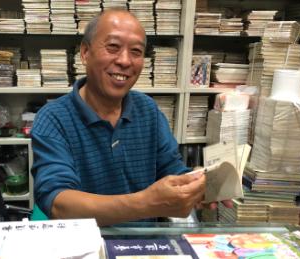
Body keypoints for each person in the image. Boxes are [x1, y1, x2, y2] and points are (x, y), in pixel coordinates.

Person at [31, 9, 232, 226]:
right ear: (85, 52)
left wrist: (196, 184)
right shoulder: (53, 119)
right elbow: (58, 203)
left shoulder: (148, 110)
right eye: (113, 47)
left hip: (145, 246)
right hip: (83, 248)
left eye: (136, 51)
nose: (125, 61)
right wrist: (146, 204)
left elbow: (171, 169)